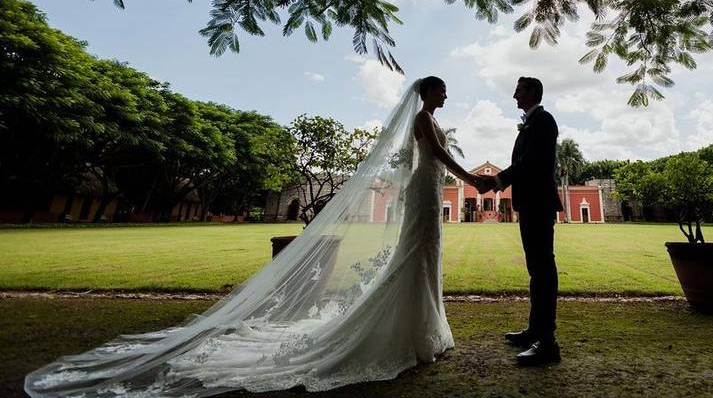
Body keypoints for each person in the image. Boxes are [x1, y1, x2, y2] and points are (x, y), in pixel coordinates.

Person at [25, 77, 481, 398]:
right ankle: (408, 334)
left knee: (424, 257)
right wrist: (475, 181)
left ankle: (425, 331)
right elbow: (437, 155)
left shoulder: (431, 120)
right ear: (427, 92)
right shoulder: (424, 121)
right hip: (425, 193)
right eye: (441, 88)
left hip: (425, 195)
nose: (445, 94)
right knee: (414, 257)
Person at [475, 76, 563, 366]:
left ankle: (547, 342)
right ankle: (535, 331)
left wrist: (497, 180)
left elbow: (530, 163)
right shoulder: (531, 122)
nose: (514, 96)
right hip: (530, 205)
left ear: (533, 92)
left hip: (539, 204)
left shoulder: (544, 121)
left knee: (542, 269)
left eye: (518, 90)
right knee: (536, 269)